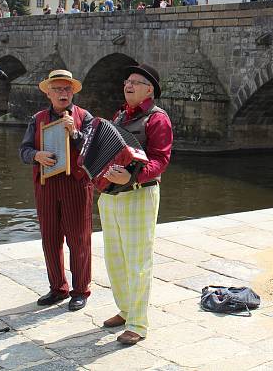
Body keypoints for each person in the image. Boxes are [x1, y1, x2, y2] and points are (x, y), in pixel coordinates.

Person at [99, 63, 172, 345]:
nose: (128, 85)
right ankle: (126, 309)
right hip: (110, 194)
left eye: (136, 82)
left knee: (138, 260)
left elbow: (161, 161)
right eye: (127, 80)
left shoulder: (158, 119)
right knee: (115, 258)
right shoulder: (118, 115)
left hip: (140, 194)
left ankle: (138, 323)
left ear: (149, 89)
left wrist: (132, 175)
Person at [19, 70, 94, 311]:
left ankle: (80, 290)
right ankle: (58, 288)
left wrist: (74, 133)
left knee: (79, 240)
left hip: (77, 186)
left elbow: (93, 149)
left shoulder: (85, 117)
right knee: (50, 239)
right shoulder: (38, 119)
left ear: (72, 92)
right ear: (48, 93)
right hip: (47, 185)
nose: (63, 93)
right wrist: (37, 155)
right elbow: (24, 151)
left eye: (67, 89)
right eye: (58, 89)